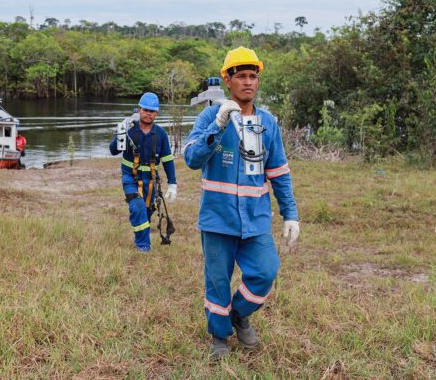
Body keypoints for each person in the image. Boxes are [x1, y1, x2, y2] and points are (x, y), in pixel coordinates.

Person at [183, 47, 300, 359]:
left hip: (256, 218)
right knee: (218, 280)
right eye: (241, 76)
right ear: (227, 79)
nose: (248, 82)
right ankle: (219, 338)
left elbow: (279, 172)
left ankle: (238, 314)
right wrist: (217, 125)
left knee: (265, 271)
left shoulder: (268, 123)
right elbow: (192, 159)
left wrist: (290, 214)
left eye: (253, 76)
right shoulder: (210, 116)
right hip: (217, 218)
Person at [109, 92, 177, 252]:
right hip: (130, 178)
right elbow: (113, 151)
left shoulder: (161, 134)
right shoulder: (129, 131)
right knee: (137, 207)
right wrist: (121, 130)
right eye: (145, 110)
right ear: (139, 110)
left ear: (156, 113)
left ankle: (139, 234)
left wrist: (172, 183)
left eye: (152, 111)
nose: (148, 114)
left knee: (146, 212)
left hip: (152, 181)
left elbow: (168, 160)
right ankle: (143, 246)